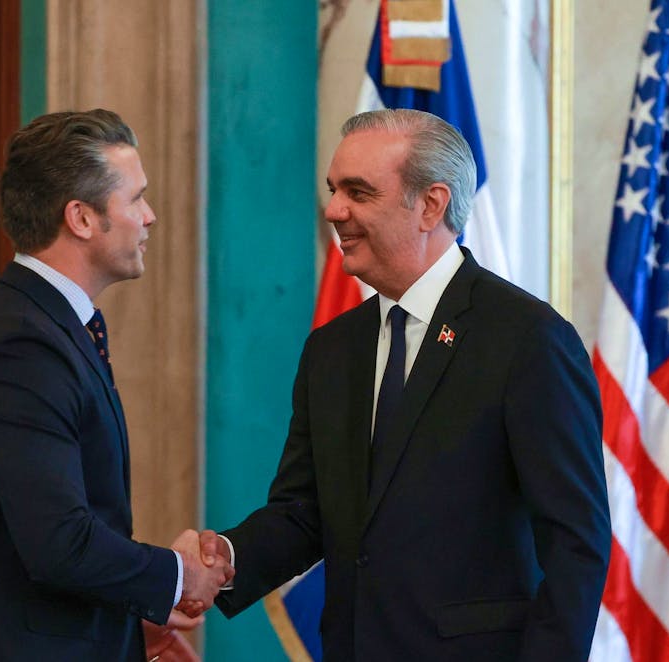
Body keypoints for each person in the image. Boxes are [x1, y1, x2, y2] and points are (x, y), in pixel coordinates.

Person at [200, 109, 611, 661]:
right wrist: (225, 558)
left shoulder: (527, 339)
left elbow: (575, 544)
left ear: (431, 205)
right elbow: (306, 510)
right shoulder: (333, 348)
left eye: (358, 192)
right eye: (333, 190)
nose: (334, 210)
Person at [0, 109, 231, 662]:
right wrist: (176, 575)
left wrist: (131, 622)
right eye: (135, 199)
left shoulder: (43, 325)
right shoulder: (21, 346)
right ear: (81, 218)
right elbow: (59, 544)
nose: (150, 217)